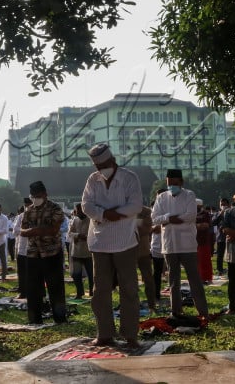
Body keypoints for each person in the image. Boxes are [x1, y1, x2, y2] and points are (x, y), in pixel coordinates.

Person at [82, 143, 143, 348]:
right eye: (97, 166)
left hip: (125, 241)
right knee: (100, 291)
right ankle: (104, 333)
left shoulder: (129, 177)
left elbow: (135, 205)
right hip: (99, 242)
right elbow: (86, 205)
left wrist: (113, 214)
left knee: (129, 289)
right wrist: (106, 214)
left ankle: (130, 334)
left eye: (104, 164)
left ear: (113, 160)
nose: (101, 169)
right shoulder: (93, 179)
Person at [152, 169, 209, 319]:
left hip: (187, 245)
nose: (172, 186)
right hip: (169, 245)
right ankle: (176, 311)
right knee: (173, 281)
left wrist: (167, 221)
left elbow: (190, 216)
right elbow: (155, 218)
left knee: (194, 279)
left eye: (175, 183)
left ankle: (203, 311)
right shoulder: (162, 197)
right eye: (169, 183)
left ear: (181, 183)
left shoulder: (189, 195)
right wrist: (170, 217)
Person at [20, 181, 67, 324]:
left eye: (38, 196)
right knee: (33, 288)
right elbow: (22, 230)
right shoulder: (28, 211)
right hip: (33, 254)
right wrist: (35, 231)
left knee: (56, 288)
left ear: (45, 194)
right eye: (33, 196)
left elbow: (54, 229)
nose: (35, 199)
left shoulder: (55, 208)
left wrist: (34, 231)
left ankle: (60, 319)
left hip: (52, 253)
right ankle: (35, 319)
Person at [68, 203, 93, 299]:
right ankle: (79, 293)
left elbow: (94, 234)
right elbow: (70, 233)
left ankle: (92, 293)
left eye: (79, 211)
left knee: (91, 275)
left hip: (88, 252)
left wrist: (86, 237)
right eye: (77, 211)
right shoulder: (75, 220)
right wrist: (78, 235)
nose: (77, 213)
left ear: (83, 210)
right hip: (77, 252)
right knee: (76, 275)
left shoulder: (91, 220)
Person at [195, 199, 214, 284]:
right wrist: (197, 226)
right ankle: (199, 277)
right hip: (193, 241)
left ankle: (208, 278)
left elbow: (205, 226)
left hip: (203, 241)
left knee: (205, 260)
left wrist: (194, 226)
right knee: (196, 261)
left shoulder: (205, 214)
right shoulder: (191, 213)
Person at [210, 198, 230, 277]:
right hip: (220, 237)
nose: (223, 206)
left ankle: (230, 270)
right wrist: (220, 214)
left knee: (230, 255)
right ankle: (220, 269)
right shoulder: (217, 214)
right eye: (221, 204)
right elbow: (213, 222)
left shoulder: (231, 212)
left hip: (230, 237)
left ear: (228, 204)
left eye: (224, 204)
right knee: (220, 255)